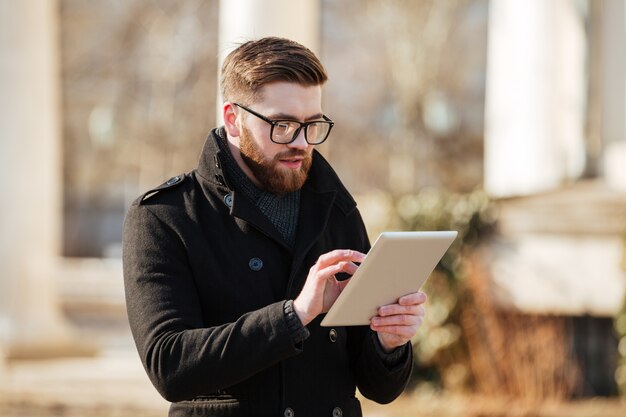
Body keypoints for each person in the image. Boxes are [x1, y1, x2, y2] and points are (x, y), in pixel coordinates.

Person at [123, 36, 427, 417]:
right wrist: (294, 315)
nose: (300, 142)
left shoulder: (338, 209)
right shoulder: (165, 216)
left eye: (311, 125)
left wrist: (389, 344)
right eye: (281, 124)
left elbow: (378, 390)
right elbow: (169, 366)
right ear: (234, 120)